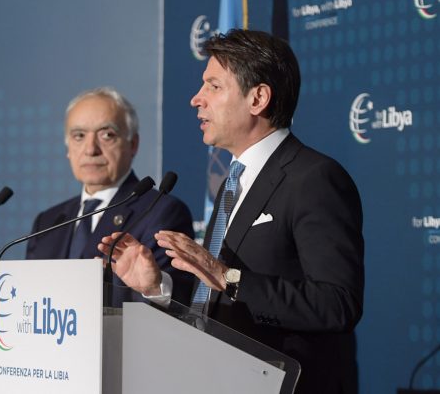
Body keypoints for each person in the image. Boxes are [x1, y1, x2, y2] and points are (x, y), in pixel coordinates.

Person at [99, 30, 364, 394]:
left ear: (258, 98)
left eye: (213, 86)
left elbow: (337, 304)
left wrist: (229, 277)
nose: (196, 99)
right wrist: (158, 287)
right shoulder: (233, 181)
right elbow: (216, 303)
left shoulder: (313, 178)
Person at [26, 87, 195, 305]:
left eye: (107, 135)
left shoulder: (161, 211)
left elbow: (176, 302)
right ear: (68, 148)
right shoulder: (48, 222)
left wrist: (154, 288)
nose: (91, 149)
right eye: (79, 136)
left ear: (133, 144)